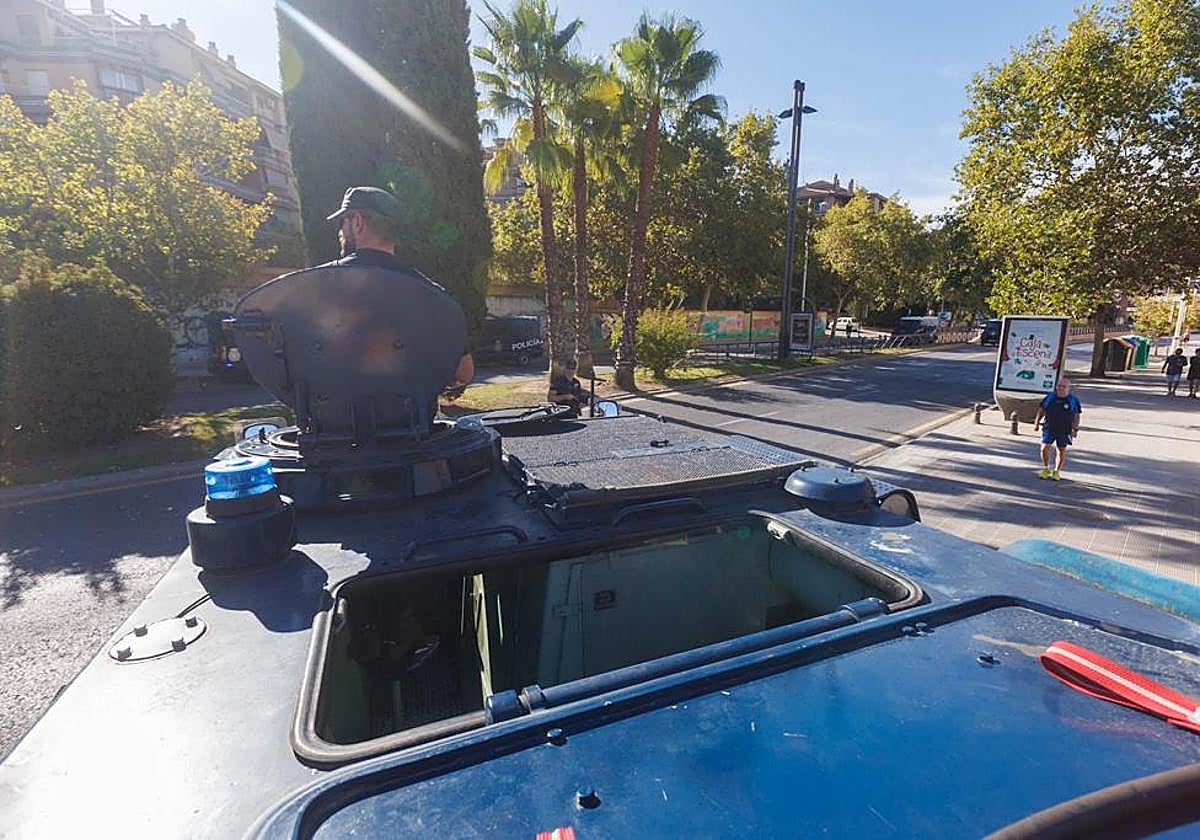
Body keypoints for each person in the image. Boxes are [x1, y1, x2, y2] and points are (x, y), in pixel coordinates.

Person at [324, 185, 474, 389]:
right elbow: (464, 373)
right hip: (410, 418)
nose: (341, 230)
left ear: (358, 222)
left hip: (333, 419)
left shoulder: (313, 286)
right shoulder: (431, 294)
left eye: (343, 222)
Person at [1033, 377, 1081, 481]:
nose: (1061, 388)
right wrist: (1036, 423)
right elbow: (1041, 410)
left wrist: (1075, 429)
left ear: (1069, 388)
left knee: (1061, 450)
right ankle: (1046, 469)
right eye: (1059, 386)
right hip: (1049, 428)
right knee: (1044, 448)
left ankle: (1056, 471)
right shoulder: (1050, 397)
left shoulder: (1073, 400)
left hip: (1064, 430)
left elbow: (1077, 415)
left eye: (1064, 386)